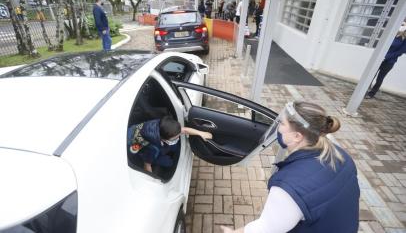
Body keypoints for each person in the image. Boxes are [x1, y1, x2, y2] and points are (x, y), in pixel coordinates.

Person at [221, 101, 360, 233]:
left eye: (281, 123)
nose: (278, 127)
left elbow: (265, 229)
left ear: (297, 136)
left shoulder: (289, 188)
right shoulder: (342, 155)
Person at [128, 116, 212, 173]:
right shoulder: (151, 149)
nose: (179, 135)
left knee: (175, 147)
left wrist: (201, 133)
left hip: (156, 142)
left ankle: (167, 150)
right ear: (163, 139)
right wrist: (152, 179)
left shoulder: (162, 126)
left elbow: (184, 130)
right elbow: (147, 165)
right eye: (176, 137)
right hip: (147, 151)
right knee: (169, 163)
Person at [367, 22, 406, 99]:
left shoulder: (404, 40)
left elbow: (399, 52)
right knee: (370, 75)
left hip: (389, 62)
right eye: (401, 24)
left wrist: (385, 57)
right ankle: (364, 90)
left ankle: (371, 93)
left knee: (379, 78)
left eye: (403, 25)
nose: (401, 26)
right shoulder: (392, 35)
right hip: (379, 58)